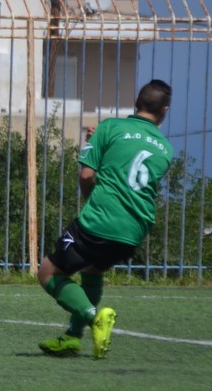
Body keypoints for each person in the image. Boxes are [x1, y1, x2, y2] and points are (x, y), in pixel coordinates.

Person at [37, 79, 173, 358]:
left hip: (100, 221)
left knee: (48, 272)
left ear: (136, 103)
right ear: (164, 110)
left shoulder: (109, 128)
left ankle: (93, 318)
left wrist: (92, 198)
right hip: (134, 230)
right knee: (92, 271)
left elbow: (87, 175)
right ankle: (72, 337)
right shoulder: (165, 149)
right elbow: (128, 168)